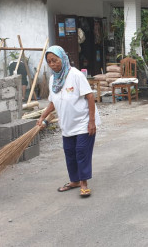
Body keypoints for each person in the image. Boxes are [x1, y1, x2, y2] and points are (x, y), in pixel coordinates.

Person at [37, 45, 101, 198]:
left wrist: (92, 122)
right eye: (50, 62)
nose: (53, 64)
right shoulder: (54, 79)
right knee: (70, 153)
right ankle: (74, 181)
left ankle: (84, 183)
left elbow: (90, 97)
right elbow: (52, 102)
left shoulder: (76, 75)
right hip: (67, 124)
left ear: (63, 58)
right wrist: (42, 117)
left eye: (55, 60)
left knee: (81, 152)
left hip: (83, 123)